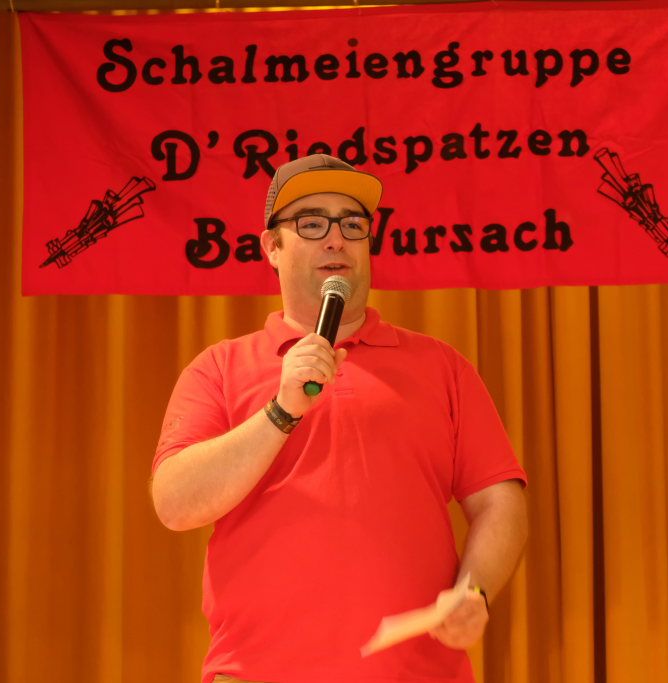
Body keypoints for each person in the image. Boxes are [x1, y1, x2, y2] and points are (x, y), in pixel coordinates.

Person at [151, 154, 528, 683]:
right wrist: (280, 411)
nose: (336, 239)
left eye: (353, 224)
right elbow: (175, 504)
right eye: (312, 223)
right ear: (272, 247)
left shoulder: (441, 367)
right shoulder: (219, 368)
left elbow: (499, 501)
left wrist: (474, 590)